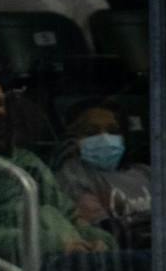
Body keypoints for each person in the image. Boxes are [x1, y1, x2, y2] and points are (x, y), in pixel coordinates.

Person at [0, 75, 115, 271]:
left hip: (70, 258)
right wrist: (51, 244)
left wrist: (100, 241)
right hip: (18, 268)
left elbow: (70, 215)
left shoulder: (27, 161)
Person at [53, 101, 152, 256]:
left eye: (113, 131)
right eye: (91, 132)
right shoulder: (73, 176)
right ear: (74, 140)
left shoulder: (146, 172)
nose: (105, 137)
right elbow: (103, 233)